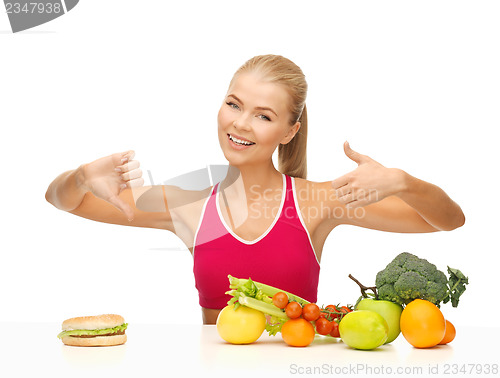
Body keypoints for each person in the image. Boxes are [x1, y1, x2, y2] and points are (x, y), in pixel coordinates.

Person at [45, 54, 465, 324]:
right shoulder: (187, 206)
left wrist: (403, 182)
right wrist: (81, 175)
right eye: (233, 104)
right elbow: (64, 201)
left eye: (263, 116)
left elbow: (446, 221)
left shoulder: (315, 202)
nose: (240, 123)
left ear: (289, 131)